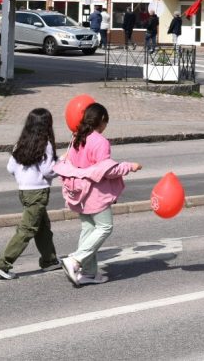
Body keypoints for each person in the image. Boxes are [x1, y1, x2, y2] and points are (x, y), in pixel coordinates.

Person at [54, 103, 141, 286]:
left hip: (78, 191)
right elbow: (107, 171)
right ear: (101, 120)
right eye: (106, 122)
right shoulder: (100, 141)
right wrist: (130, 167)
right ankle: (75, 260)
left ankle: (89, 273)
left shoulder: (77, 136)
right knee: (104, 227)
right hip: (95, 193)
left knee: (88, 230)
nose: (106, 126)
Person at [0, 108, 60, 280]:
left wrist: (24, 177)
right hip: (38, 192)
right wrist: (62, 164)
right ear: (47, 125)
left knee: (42, 228)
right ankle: (2, 264)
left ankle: (49, 260)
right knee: (27, 229)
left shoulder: (20, 143)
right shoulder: (46, 145)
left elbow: (10, 168)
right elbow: (48, 171)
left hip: (24, 191)